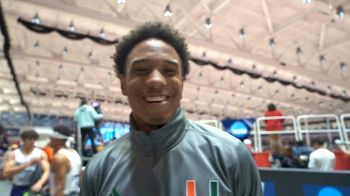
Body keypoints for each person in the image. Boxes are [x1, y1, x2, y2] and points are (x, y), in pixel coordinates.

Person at [81, 22, 262, 196]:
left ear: (182, 82)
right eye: (142, 70)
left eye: (169, 71)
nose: (156, 80)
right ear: (123, 83)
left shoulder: (231, 157)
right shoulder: (99, 171)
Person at [2, 129, 50, 196]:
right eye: (30, 139)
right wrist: (28, 164)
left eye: (34, 139)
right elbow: (6, 173)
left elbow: (47, 171)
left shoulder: (40, 154)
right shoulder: (14, 154)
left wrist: (40, 183)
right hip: (18, 187)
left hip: (33, 187)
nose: (32, 141)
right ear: (23, 140)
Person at [49, 125, 82, 196]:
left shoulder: (59, 158)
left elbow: (60, 186)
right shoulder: (74, 153)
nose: (50, 140)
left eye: (51, 138)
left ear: (56, 139)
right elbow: (80, 177)